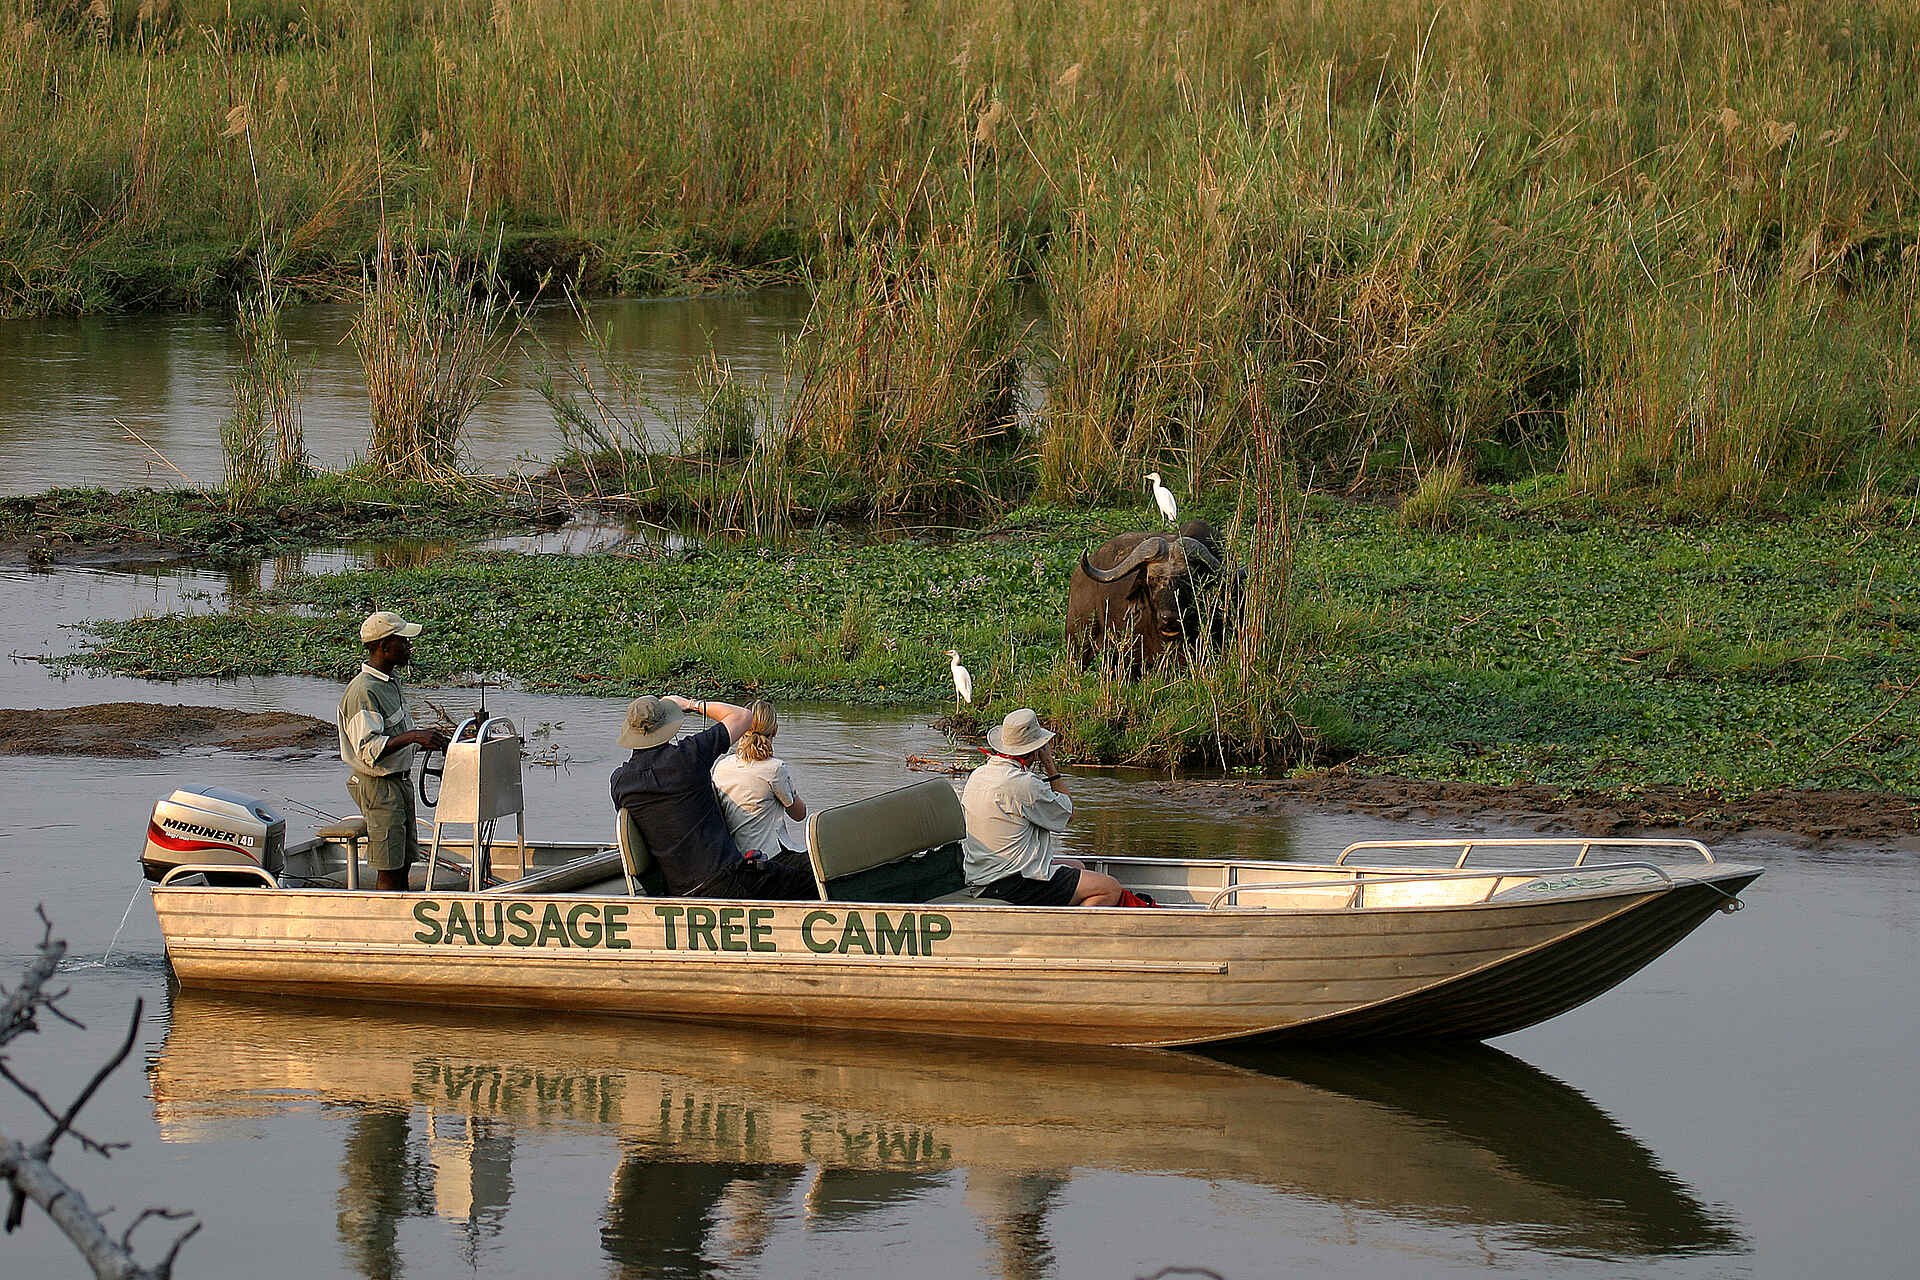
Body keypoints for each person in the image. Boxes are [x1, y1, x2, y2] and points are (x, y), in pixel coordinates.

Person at [610, 695, 818, 900]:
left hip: (678, 891)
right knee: (817, 875)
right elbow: (743, 716)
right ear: (667, 726)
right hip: (728, 880)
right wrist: (691, 705)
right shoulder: (688, 756)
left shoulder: (620, 782)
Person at [962, 708, 1141, 907]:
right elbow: (1068, 813)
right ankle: (1070, 934)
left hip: (984, 876)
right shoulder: (1023, 784)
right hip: (1012, 883)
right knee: (1110, 888)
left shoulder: (978, 774)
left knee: (1078, 866)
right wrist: (1050, 766)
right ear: (1034, 750)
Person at [337, 610, 449, 891]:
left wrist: (427, 738)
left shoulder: (389, 681)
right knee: (388, 866)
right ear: (385, 647)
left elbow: (396, 732)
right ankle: (383, 924)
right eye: (403, 641)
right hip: (379, 786)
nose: (409, 647)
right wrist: (414, 737)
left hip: (399, 782)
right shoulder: (364, 691)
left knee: (404, 860)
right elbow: (368, 749)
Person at [711, 701, 806, 859]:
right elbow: (799, 814)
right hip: (769, 857)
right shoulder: (775, 768)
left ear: (740, 730)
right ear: (774, 730)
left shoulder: (722, 766)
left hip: (735, 856)